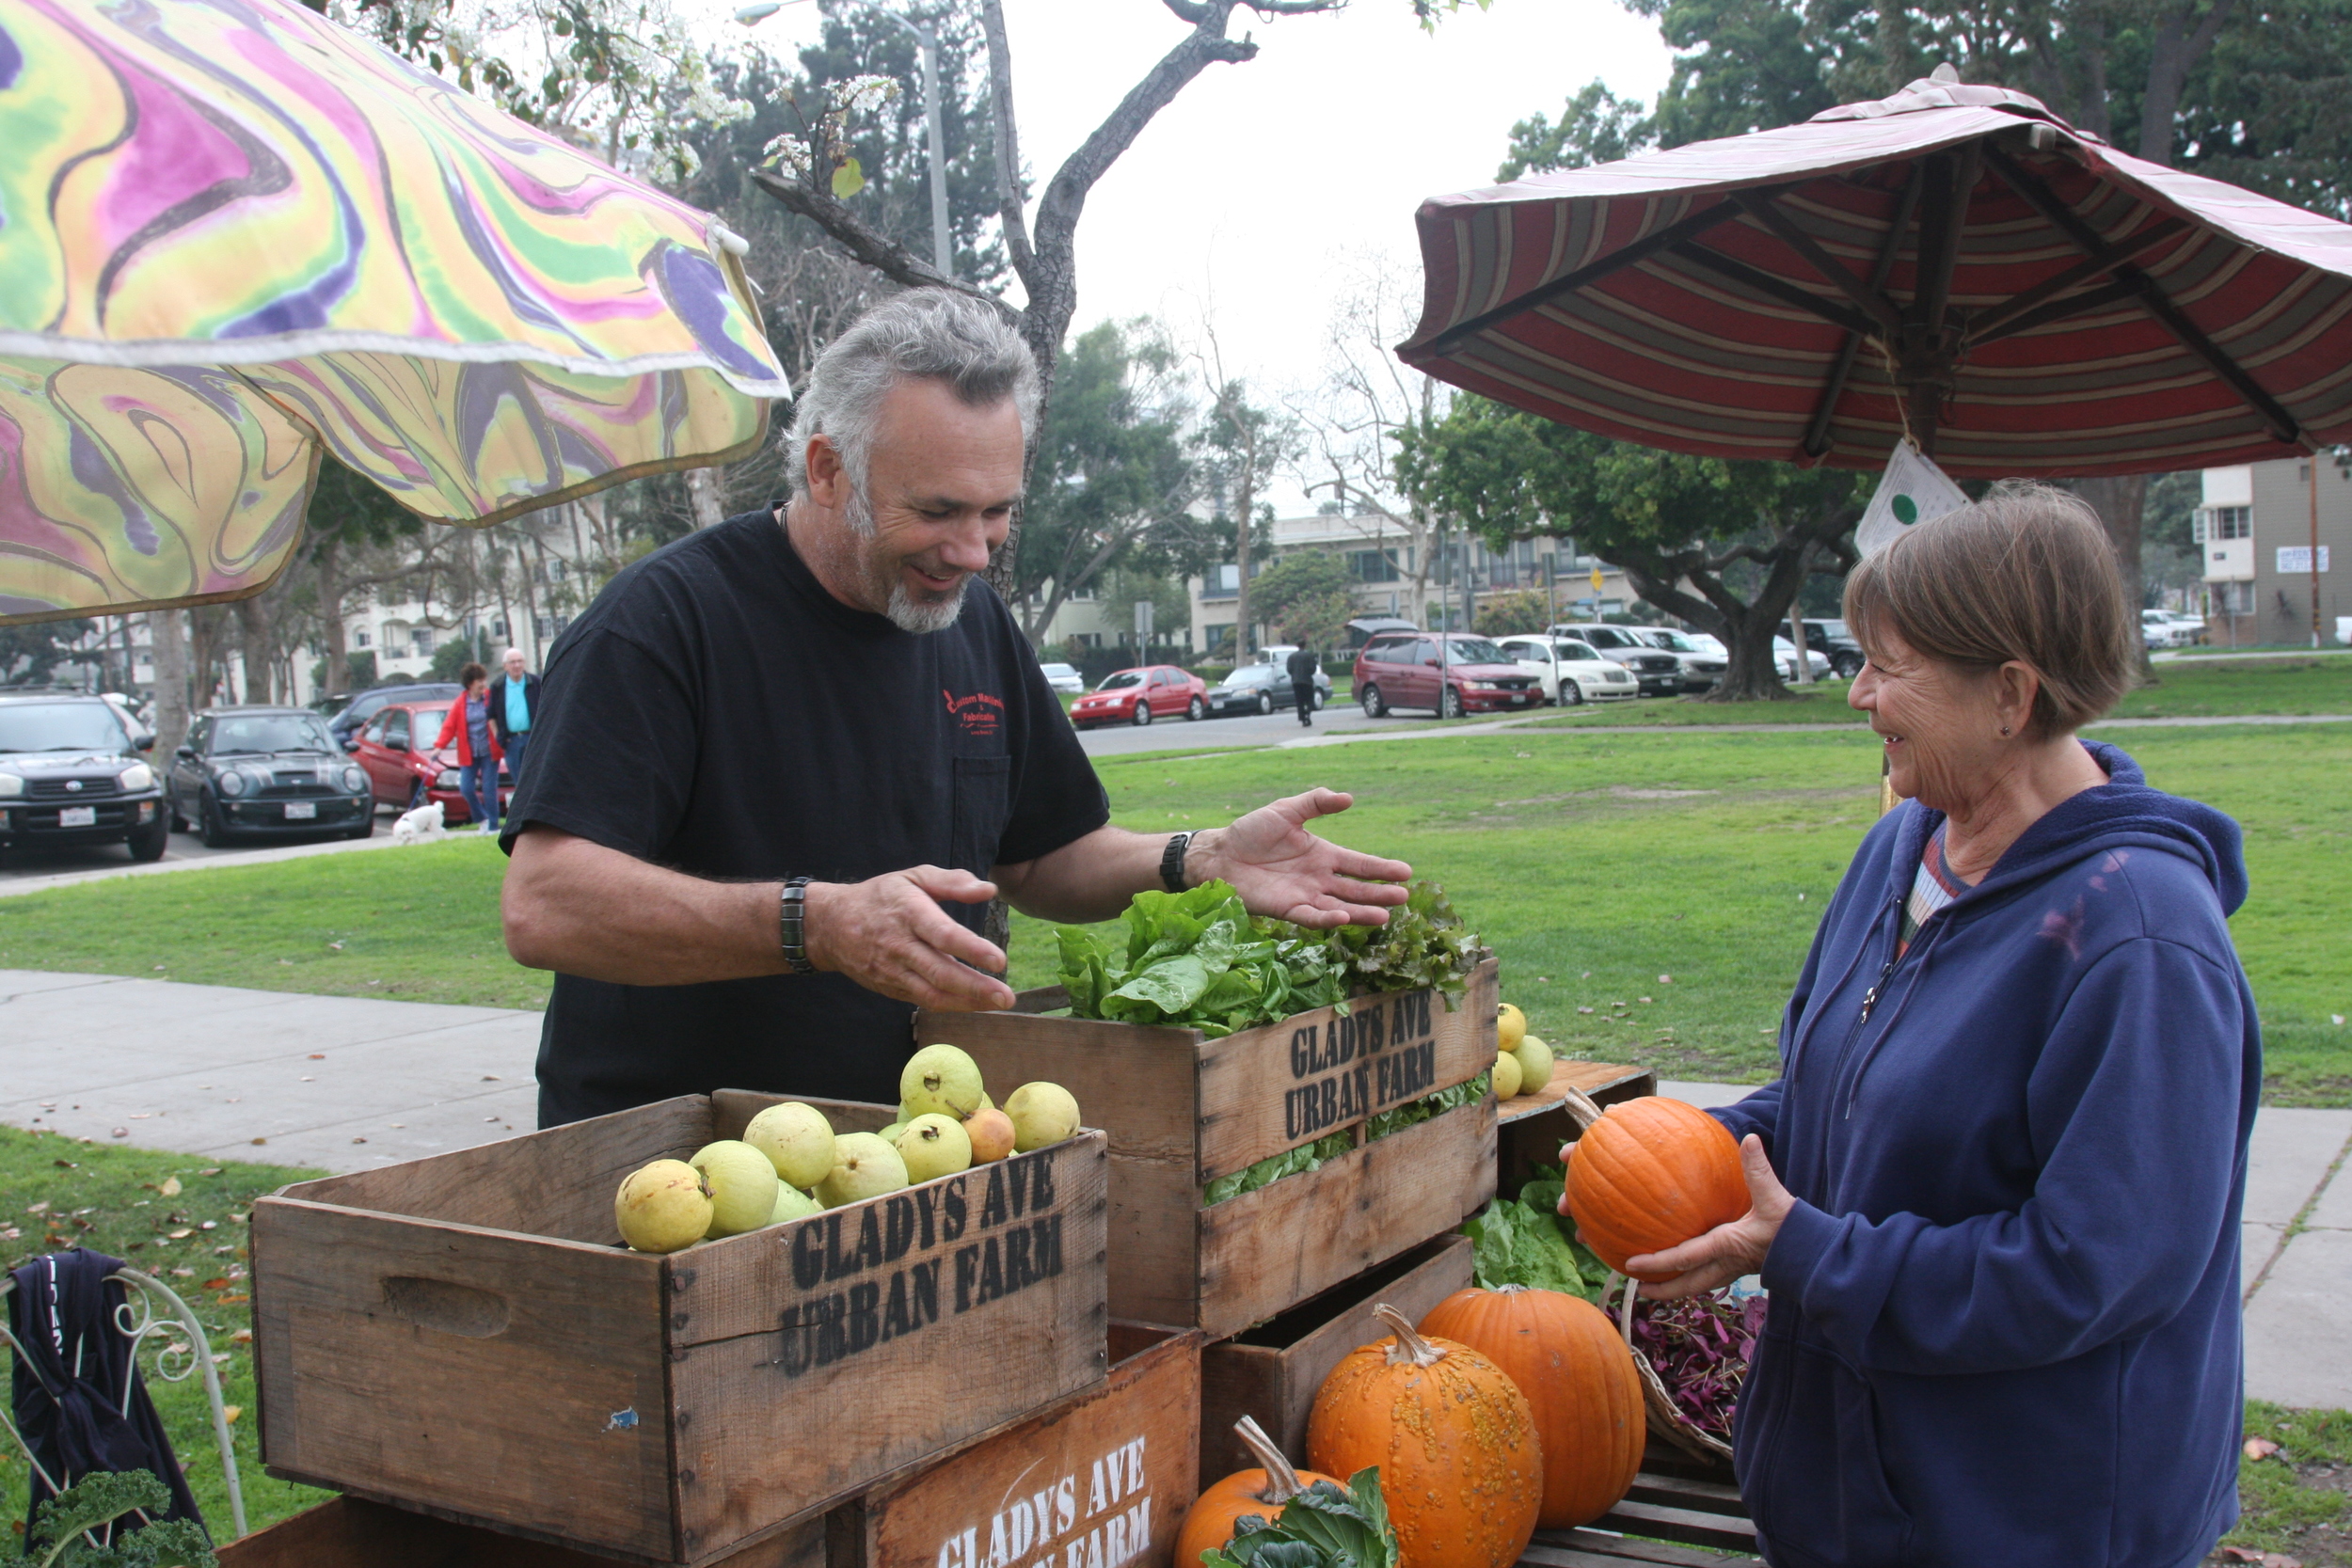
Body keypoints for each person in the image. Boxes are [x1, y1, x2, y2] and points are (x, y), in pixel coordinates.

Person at [500, 290, 1412, 1126]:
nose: (974, 551)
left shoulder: (968, 620)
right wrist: (814, 923)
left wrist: (1197, 856)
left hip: (915, 1153)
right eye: (939, 511)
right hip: (673, 1168)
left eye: (996, 512)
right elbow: (545, 904)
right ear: (827, 468)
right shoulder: (662, 623)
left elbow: (1044, 855)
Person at [1613, 484, 2259, 1568]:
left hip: (2021, 1524)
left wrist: (1811, 1252)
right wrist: (1696, 1154)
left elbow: (2083, 1269)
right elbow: (1831, 1089)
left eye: (1892, 662)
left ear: (2010, 693)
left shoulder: (2138, 940)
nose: (1858, 694)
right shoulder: (1901, 848)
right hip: (1845, 1505)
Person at [435, 664, 504, 832]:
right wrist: (439, 747)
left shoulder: (490, 697)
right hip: (469, 754)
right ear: (470, 683)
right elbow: (449, 727)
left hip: (489, 751)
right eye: (479, 681)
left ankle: (494, 826)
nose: (483, 684)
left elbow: (501, 717)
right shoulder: (460, 703)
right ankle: (482, 818)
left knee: (489, 789)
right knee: (466, 788)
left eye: (484, 680)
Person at [486, 648, 539, 781]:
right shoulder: (497, 687)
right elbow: (491, 715)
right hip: (511, 741)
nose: (517, 665)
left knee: (535, 780)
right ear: (505, 666)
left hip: (533, 738)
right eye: (512, 662)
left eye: (520, 661)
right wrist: (499, 737)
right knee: (519, 782)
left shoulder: (536, 683)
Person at [1285, 645, 1321, 727]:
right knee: (1309, 699)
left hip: (1296, 682)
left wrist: (1294, 675)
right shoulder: (1309, 656)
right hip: (1307, 681)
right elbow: (1313, 669)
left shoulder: (1291, 657)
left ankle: (1302, 716)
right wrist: (1308, 673)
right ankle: (1308, 713)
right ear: (1304, 645)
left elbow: (1289, 669)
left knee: (1299, 700)